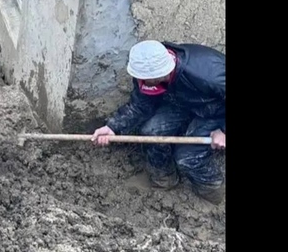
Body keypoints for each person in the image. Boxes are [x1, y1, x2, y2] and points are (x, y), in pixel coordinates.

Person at [91, 40, 226, 204]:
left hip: (216, 111)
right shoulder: (145, 71)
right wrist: (113, 127)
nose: (142, 82)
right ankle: (165, 179)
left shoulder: (209, 75)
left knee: (187, 157)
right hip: (182, 102)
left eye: (146, 80)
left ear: (162, 74)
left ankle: (211, 190)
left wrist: (223, 131)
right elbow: (141, 104)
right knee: (151, 132)